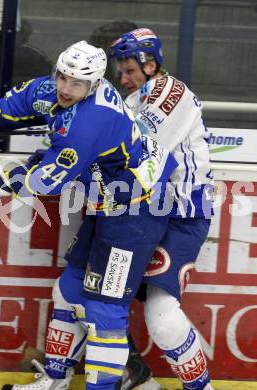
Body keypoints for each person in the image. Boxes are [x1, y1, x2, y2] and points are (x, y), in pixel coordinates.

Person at [0, 41, 177, 390]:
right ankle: (56, 381)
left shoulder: (92, 120)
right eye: (62, 76)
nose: (65, 88)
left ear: (93, 85)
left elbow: (45, 180)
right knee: (71, 290)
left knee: (105, 310)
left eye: (76, 83)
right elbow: (9, 110)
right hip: (104, 199)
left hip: (138, 209)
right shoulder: (52, 88)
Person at [109, 28, 214, 390]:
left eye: (130, 71)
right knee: (94, 297)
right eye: (119, 72)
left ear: (150, 64)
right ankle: (139, 381)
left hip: (181, 217)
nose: (123, 79)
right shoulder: (135, 99)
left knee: (161, 316)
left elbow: (140, 159)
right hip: (142, 216)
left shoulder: (172, 93)